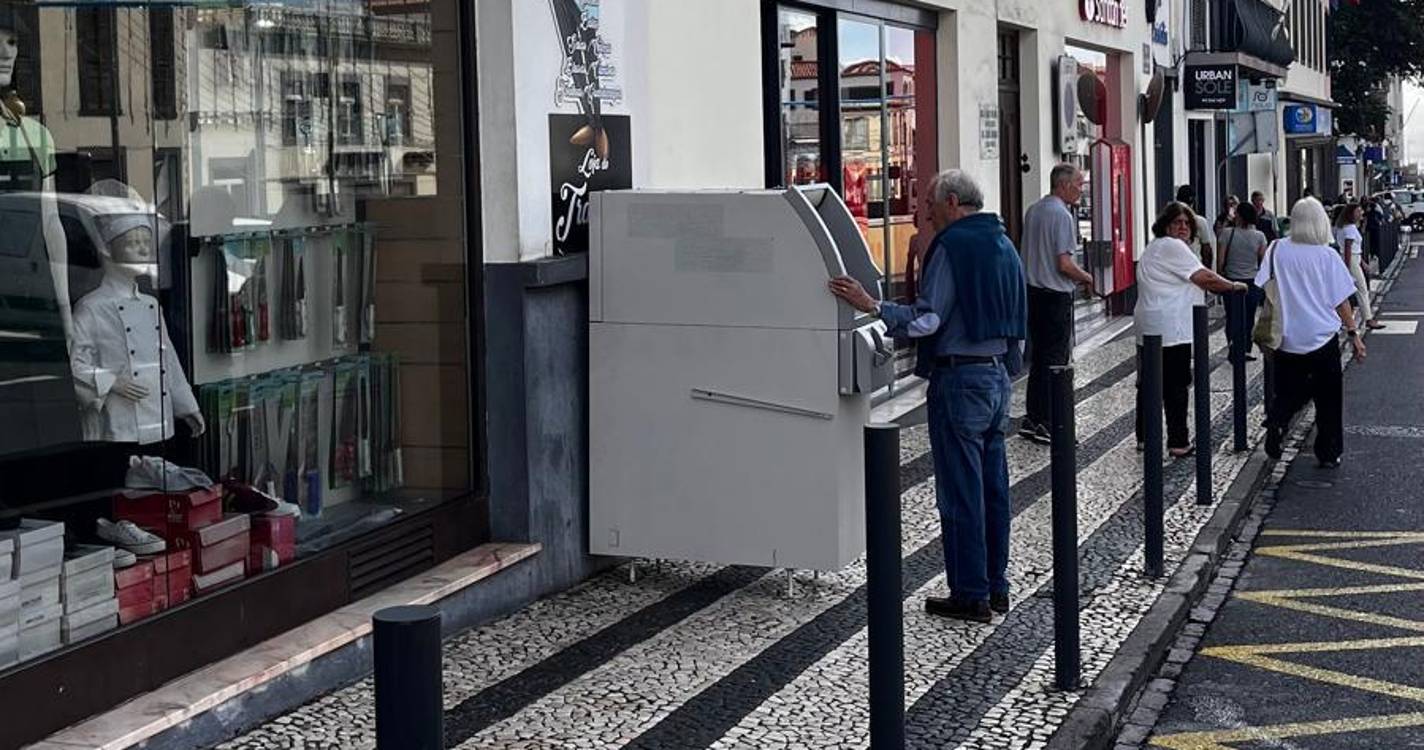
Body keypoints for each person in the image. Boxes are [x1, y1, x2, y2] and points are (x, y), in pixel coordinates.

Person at [829, 169, 1026, 624]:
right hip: (997, 378)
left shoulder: (953, 247)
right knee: (994, 490)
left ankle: (969, 593)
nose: (926, 212)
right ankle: (996, 585)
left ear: (953, 202)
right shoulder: (1003, 242)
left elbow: (929, 320)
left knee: (961, 492)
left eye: (931, 204)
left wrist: (873, 306)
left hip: (960, 381)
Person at [1259, 197, 1367, 467]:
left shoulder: (1276, 249)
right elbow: (1341, 300)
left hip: (1285, 337)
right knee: (1328, 399)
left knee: (1286, 391)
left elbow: (1263, 285)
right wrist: (1354, 334)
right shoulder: (1327, 255)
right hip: (1321, 338)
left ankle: (1278, 420)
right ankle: (1328, 451)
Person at [1136, 203, 1245, 457]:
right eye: (1177, 222)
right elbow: (1204, 277)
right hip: (1171, 328)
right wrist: (1233, 286)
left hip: (1150, 326)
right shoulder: (1172, 246)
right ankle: (1178, 441)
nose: (1183, 227)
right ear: (1166, 225)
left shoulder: (1154, 247)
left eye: (1187, 223)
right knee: (1176, 385)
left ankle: (1145, 436)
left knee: (1150, 385)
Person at [1018, 164, 1094, 446]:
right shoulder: (1062, 215)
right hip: (1055, 296)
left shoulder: (1034, 210)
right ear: (1062, 185)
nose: (1080, 189)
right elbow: (1064, 264)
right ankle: (1050, 422)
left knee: (1039, 358)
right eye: (1078, 184)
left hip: (1033, 293)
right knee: (1056, 361)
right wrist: (1088, 277)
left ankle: (1033, 417)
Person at [1217, 202, 1269, 362]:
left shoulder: (1227, 233)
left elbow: (1221, 259)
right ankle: (1245, 349)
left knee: (1232, 315)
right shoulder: (1260, 236)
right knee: (1249, 316)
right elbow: (1263, 261)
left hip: (1231, 280)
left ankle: (1233, 345)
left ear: (1238, 215)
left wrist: (1220, 276)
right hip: (1252, 282)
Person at [1333, 202, 1384, 330]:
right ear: (1351, 214)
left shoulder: (1343, 227)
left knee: (1345, 291)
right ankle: (1368, 318)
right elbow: (1349, 249)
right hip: (1351, 261)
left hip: (1352, 259)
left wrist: (1362, 263)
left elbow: (1353, 248)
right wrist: (1348, 266)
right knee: (1362, 289)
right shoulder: (1349, 228)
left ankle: (1345, 318)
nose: (1361, 213)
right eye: (1358, 211)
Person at [1175, 185, 1216, 267]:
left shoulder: (1170, 221)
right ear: (1193, 201)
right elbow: (1206, 249)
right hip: (1194, 266)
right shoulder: (1200, 221)